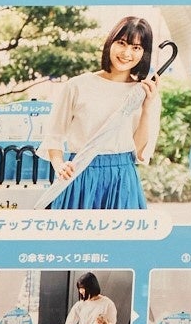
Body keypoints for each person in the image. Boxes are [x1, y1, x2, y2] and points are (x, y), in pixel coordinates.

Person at [46, 18, 163, 210]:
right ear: (110, 43)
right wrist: (59, 165)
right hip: (79, 173)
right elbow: (54, 135)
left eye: (136, 47)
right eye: (122, 43)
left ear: (144, 53)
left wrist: (147, 108)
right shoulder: (77, 85)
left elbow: (139, 151)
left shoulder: (145, 93)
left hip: (122, 179)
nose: (126, 53)